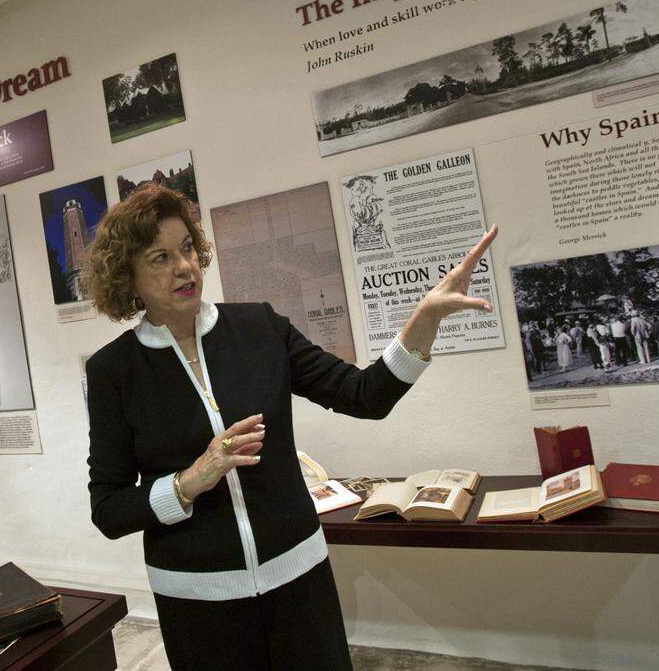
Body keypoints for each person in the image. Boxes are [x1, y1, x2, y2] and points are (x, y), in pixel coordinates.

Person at [82, 185, 498, 669]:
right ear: (127, 277)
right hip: (198, 603)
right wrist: (189, 482)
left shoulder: (259, 327)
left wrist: (424, 319)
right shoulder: (114, 371)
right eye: (160, 257)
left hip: (299, 580)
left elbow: (365, 396)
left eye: (188, 248)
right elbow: (108, 509)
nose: (185, 267)